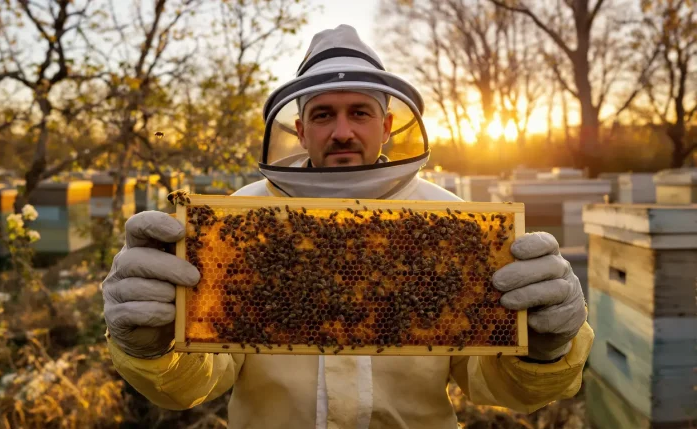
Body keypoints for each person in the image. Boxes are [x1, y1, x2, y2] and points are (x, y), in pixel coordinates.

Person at [102, 25, 592, 428]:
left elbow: (492, 383)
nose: (342, 131)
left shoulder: (454, 221)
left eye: (359, 112)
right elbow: (199, 379)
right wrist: (154, 346)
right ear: (299, 129)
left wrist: (544, 352)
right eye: (323, 115)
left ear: (386, 125)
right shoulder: (238, 220)